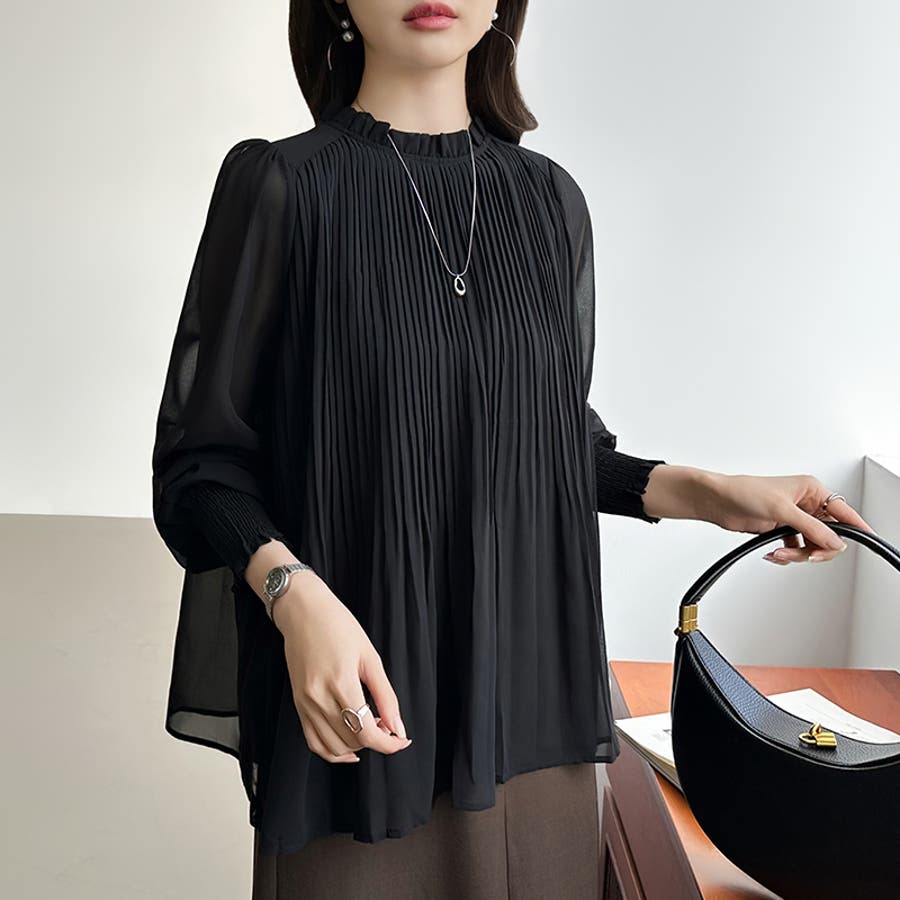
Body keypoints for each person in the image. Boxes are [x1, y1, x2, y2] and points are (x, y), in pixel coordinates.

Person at [150, 2, 872, 897]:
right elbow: (201, 465)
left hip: (535, 716)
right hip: (362, 720)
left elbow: (543, 442)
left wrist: (709, 491)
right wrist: (295, 598)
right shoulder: (281, 187)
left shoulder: (548, 202)